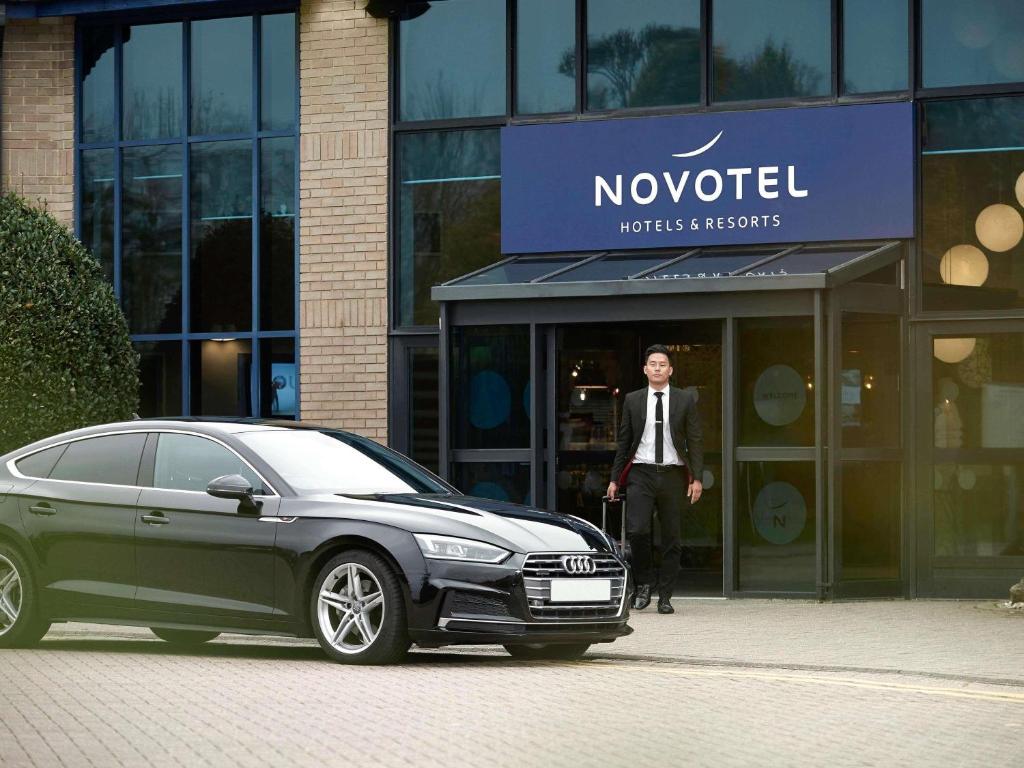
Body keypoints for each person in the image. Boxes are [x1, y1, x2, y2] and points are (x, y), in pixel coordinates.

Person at [607, 344, 704, 614]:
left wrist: (696, 478)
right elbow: (624, 441)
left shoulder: (685, 400)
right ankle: (644, 585)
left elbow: (695, 440)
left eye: (663, 364)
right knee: (638, 530)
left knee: (672, 536)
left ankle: (666, 595)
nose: (658, 368)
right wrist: (615, 478)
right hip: (641, 473)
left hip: (673, 474)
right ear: (645, 369)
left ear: (670, 370)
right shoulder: (633, 400)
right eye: (653, 364)